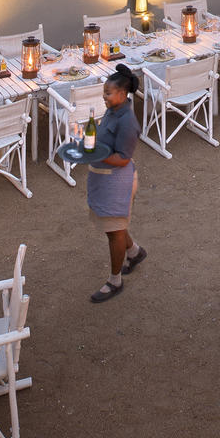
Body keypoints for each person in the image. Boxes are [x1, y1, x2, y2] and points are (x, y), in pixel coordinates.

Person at [86, 65, 148, 302]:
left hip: (117, 182)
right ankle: (134, 252)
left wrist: (96, 155)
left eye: (109, 93)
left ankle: (115, 281)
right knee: (115, 226)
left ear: (123, 95)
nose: (105, 96)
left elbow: (123, 158)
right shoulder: (113, 110)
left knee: (114, 231)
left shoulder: (128, 123)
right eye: (104, 91)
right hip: (104, 178)